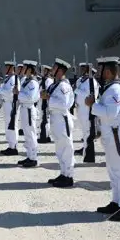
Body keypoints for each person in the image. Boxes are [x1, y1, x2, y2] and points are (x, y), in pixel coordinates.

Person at [85, 56, 120, 221]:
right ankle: (116, 201)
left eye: (100, 70)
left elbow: (110, 113)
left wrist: (92, 105)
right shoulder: (110, 87)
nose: (98, 73)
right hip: (112, 133)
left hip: (118, 133)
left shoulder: (116, 90)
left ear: (107, 71)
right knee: (114, 171)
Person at [43, 58, 75, 187]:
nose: (51, 69)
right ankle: (63, 173)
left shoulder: (64, 86)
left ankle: (69, 176)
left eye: (54, 67)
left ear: (60, 70)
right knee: (60, 149)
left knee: (66, 149)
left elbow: (64, 104)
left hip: (62, 119)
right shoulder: (54, 84)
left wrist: (48, 97)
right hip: (55, 119)